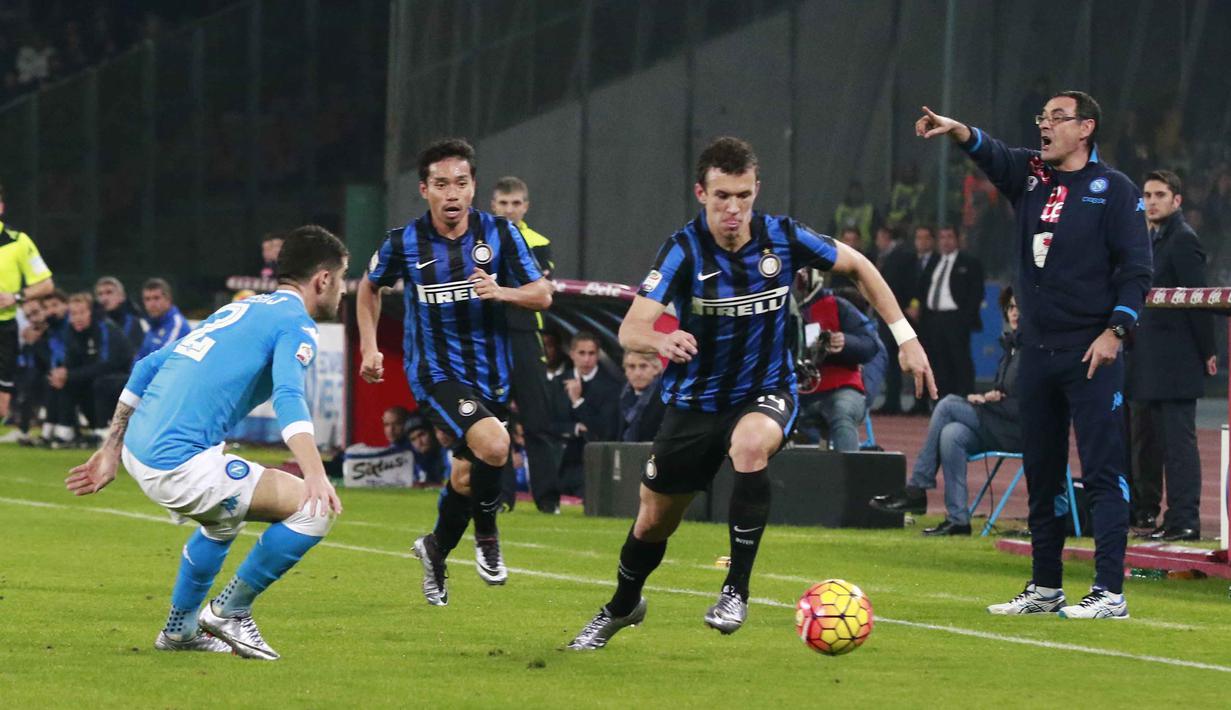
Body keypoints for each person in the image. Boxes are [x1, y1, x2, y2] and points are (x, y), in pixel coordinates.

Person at [567, 136, 935, 650]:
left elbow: (861, 267)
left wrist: (906, 338)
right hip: (695, 404)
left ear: (756, 189)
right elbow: (632, 327)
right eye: (722, 197)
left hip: (766, 389)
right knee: (653, 521)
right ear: (701, 193)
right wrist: (661, 337)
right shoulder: (683, 249)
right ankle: (623, 605)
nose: (733, 209)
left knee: (750, 445)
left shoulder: (783, 237)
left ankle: (735, 590)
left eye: (743, 195)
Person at [917, 91, 1152, 619]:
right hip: (1037, 353)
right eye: (1041, 118)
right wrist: (956, 128)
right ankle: (1046, 589)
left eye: (1056, 118)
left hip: (1091, 352)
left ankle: (1110, 593)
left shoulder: (1115, 191)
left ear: (1086, 128)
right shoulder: (1029, 175)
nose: (1044, 126)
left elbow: (1138, 271)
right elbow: (991, 151)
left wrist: (1115, 331)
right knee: (1042, 474)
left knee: (1102, 473)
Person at [64, 225, 348, 659]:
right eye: (342, 278)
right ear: (323, 279)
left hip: (145, 446)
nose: (342, 291)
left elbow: (147, 365)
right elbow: (290, 396)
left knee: (221, 522)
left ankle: (179, 631)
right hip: (179, 463)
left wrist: (112, 447)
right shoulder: (296, 324)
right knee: (314, 510)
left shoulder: (244, 309)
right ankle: (229, 612)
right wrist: (316, 474)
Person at [356, 138, 552, 604]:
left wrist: (502, 292)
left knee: (466, 478)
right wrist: (369, 348)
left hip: (492, 375)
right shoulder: (403, 242)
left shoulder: (501, 234)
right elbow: (369, 289)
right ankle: (487, 539)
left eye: (461, 183)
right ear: (424, 190)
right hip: (436, 374)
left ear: (473, 187)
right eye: (441, 184)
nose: (452, 194)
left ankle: (436, 548)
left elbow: (542, 293)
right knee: (496, 443)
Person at [870, 288, 1023, 535]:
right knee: (952, 434)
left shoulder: (1034, 349)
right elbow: (1006, 391)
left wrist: (987, 402)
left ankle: (917, 487)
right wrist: (990, 396)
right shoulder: (1011, 346)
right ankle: (958, 520)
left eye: (1020, 308)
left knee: (948, 404)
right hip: (1001, 422)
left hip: (1021, 429)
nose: (1015, 313)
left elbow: (1028, 401)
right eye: (1011, 307)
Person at [1128, 170, 1214, 541]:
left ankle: (1186, 520)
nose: (1151, 201)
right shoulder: (1151, 239)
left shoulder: (1182, 240)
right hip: (1152, 361)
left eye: (1160, 195)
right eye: (1147, 195)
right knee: (1154, 443)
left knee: (1178, 445)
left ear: (1177, 200)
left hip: (1176, 362)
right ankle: (1166, 516)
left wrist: (1207, 350)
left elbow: (1200, 301)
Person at [490, 176, 565, 514]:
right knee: (495, 418)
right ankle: (501, 498)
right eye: (503, 204)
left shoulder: (539, 242)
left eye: (515, 203)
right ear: (493, 205)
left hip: (525, 333)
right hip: (489, 334)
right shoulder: (479, 238)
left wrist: (501, 288)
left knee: (538, 418)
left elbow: (537, 286)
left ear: (526, 206)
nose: (509, 210)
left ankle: (548, 500)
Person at [796, 288, 880, 451]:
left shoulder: (838, 305)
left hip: (840, 388)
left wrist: (846, 342)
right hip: (793, 394)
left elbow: (871, 344)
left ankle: (850, 473)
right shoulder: (773, 310)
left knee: (842, 410)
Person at [45, 292, 133, 446]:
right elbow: (70, 362)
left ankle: (102, 432)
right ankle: (64, 432)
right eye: (73, 314)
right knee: (60, 380)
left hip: (123, 380)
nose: (77, 318)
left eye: (82, 312)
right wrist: (61, 373)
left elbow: (107, 365)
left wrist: (69, 374)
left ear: (90, 312)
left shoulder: (105, 329)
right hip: (94, 379)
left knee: (100, 383)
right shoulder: (70, 332)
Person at [1, 182, 56, 422]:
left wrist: (16, 296)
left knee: (2, 405)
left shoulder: (18, 242)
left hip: (4, 328)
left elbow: (47, 284)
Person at [919, 225, 984, 398]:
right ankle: (941, 399)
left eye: (949, 237)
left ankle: (965, 396)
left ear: (958, 240)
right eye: (942, 238)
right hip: (934, 319)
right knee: (938, 361)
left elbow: (976, 293)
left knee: (960, 359)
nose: (945, 241)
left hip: (956, 318)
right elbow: (923, 288)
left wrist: (965, 320)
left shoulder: (969, 263)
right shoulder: (933, 262)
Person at [558, 331, 623, 496]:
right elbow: (546, 422)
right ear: (572, 354)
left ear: (598, 355)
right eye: (582, 353)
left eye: (591, 353)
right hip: (557, 462)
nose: (586, 359)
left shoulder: (612, 387)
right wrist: (575, 427)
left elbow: (605, 428)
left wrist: (578, 402)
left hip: (591, 465)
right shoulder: (555, 384)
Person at [872, 226, 916, 414]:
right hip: (885, 315)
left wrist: (908, 306)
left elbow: (907, 284)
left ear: (885, 236)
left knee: (897, 358)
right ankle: (891, 400)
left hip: (895, 314)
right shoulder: (885, 256)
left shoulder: (901, 256)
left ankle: (897, 400)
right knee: (890, 359)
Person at [906, 225, 939, 415]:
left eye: (926, 238)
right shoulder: (910, 262)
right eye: (919, 238)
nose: (922, 242)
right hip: (910, 319)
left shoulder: (938, 260)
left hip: (931, 319)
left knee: (933, 360)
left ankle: (933, 400)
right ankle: (919, 401)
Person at [136, 278, 192, 361]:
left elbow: (159, 361)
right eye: (147, 299)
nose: (152, 304)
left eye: (156, 298)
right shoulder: (154, 324)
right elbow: (140, 357)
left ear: (168, 299)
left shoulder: (177, 325)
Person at [619, 350, 665, 443]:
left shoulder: (665, 398)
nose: (637, 373)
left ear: (656, 369)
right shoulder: (621, 395)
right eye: (632, 367)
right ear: (625, 371)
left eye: (643, 366)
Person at [94, 276, 147, 353]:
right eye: (100, 294)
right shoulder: (94, 323)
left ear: (122, 297)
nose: (104, 298)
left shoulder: (134, 323)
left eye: (109, 292)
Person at [830, 180, 877, 254]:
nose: (855, 195)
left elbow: (875, 231)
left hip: (864, 249)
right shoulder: (840, 209)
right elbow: (831, 229)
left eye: (857, 192)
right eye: (853, 192)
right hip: (841, 249)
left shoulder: (869, 210)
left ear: (862, 193)